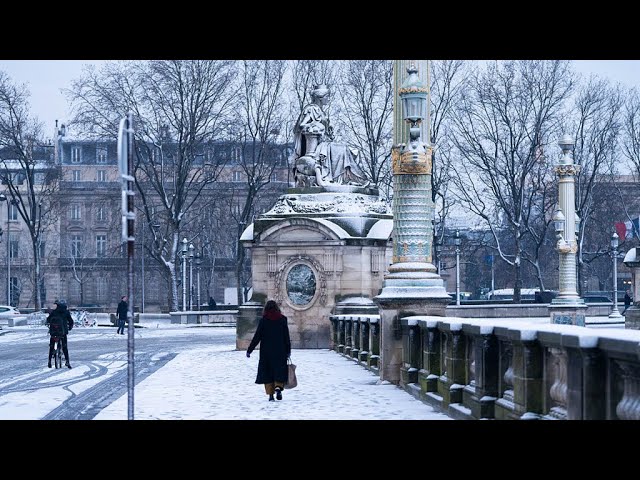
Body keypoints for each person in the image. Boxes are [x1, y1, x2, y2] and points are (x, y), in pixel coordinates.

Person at [292, 84, 368, 187]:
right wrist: (317, 126)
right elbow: (301, 126)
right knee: (344, 150)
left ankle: (351, 179)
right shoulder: (311, 109)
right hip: (319, 147)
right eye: (327, 96)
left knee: (353, 151)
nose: (328, 99)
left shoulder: (321, 111)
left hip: (327, 144)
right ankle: (346, 178)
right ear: (320, 97)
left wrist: (329, 131)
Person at [246, 300, 291, 402]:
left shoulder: (264, 320)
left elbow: (257, 337)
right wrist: (288, 350)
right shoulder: (283, 319)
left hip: (266, 351)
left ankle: (271, 395)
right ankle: (278, 387)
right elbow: (286, 337)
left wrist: (250, 350)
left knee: (268, 372)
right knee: (279, 370)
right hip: (280, 350)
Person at [45, 299, 74, 368]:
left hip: (53, 332)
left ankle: (49, 361)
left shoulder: (54, 312)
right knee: (64, 347)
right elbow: (70, 321)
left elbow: (48, 320)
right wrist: (70, 327)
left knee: (51, 346)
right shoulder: (66, 312)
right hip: (63, 332)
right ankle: (67, 361)